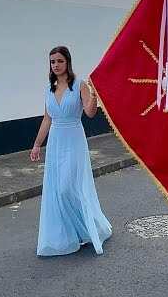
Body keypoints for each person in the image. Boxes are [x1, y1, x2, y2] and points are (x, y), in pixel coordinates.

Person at [30, 46, 112, 257]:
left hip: (74, 140)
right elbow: (47, 119)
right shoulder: (49, 88)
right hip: (56, 142)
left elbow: (90, 113)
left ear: (68, 62)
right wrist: (37, 144)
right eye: (52, 62)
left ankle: (87, 228)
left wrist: (94, 94)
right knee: (57, 190)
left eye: (59, 61)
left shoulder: (79, 85)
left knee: (68, 188)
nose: (56, 65)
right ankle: (75, 232)